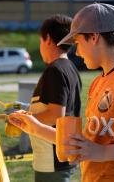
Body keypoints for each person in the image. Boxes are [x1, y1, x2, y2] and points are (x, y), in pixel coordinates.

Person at [8, 3, 114, 182]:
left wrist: (102, 153)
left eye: (78, 43)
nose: (77, 52)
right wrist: (35, 127)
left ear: (94, 37)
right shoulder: (98, 82)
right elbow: (85, 144)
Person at [8, 14, 82, 182]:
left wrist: (21, 119)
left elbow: (55, 115)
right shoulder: (69, 68)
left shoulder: (55, 70)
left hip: (52, 161)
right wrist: (27, 110)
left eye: (40, 41)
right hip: (58, 157)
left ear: (47, 38)